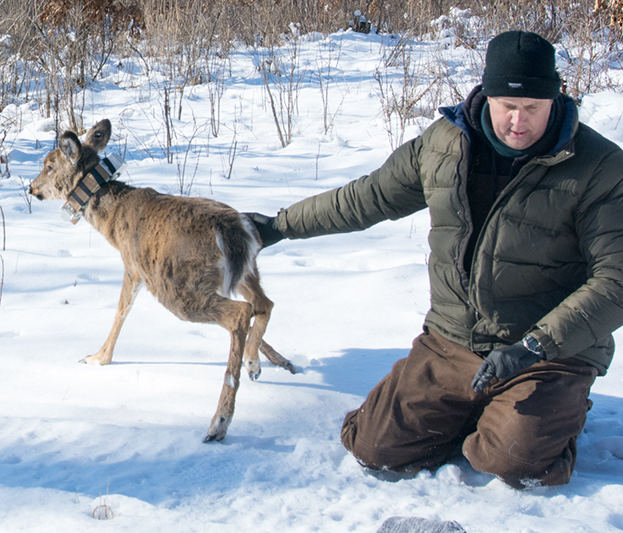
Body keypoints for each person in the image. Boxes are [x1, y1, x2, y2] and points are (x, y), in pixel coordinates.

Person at [247, 30, 623, 488]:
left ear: (556, 98)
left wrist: (535, 347)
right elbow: (369, 197)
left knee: (516, 462)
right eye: (507, 106)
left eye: (532, 109)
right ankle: (476, 411)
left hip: (547, 352)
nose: (518, 123)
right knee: (376, 450)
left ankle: (545, 414)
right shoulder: (446, 143)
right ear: (486, 95)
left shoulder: (599, 166)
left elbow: (615, 281)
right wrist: (279, 226)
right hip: (454, 339)